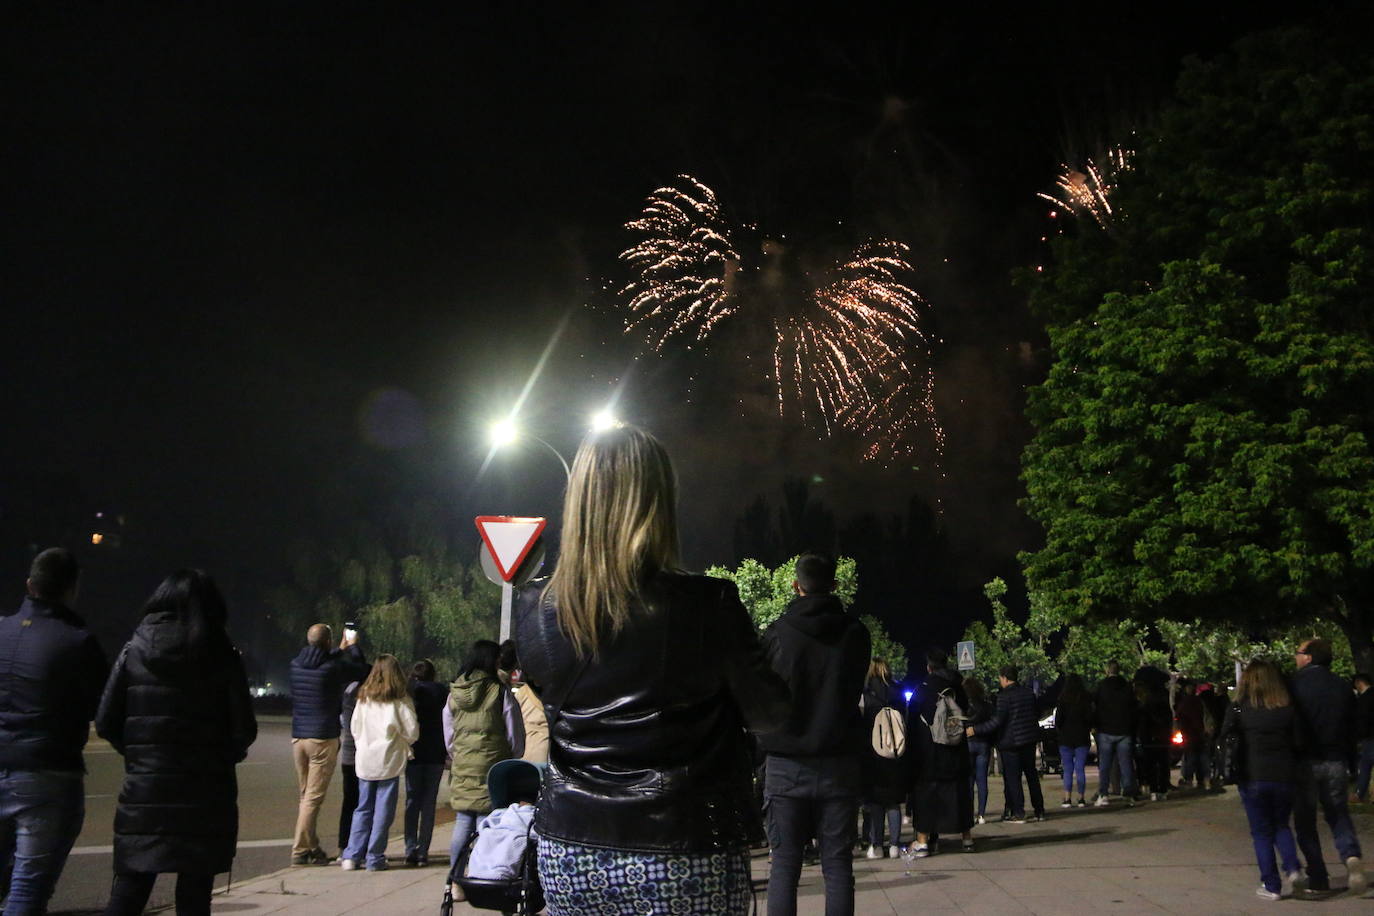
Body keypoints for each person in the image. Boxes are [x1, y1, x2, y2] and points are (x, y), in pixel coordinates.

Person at [512, 425, 790, 916]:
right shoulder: (709, 605)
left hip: (570, 846)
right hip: (682, 843)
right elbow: (773, 717)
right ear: (659, 503)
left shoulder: (536, 608)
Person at [96, 570, 257, 915]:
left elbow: (106, 720)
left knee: (130, 889)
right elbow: (243, 729)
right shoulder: (222, 654)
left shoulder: (134, 650)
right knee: (195, 897)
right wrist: (219, 757)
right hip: (206, 794)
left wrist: (141, 754)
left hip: (145, 791)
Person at [760, 552, 870, 916]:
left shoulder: (775, 634)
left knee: (785, 865)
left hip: (786, 762)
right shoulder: (855, 634)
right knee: (837, 866)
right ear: (835, 585)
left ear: (796, 586)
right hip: (839, 761)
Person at [0, 548, 107, 915]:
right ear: (72, 589)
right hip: (46, 772)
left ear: (30, 585)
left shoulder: (1, 630)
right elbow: (102, 706)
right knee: (28, 889)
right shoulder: (76, 641)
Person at [1220, 659, 1306, 900]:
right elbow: (1299, 742)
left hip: (1253, 774)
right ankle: (1293, 866)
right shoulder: (1287, 708)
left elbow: (1225, 737)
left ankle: (1271, 885)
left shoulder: (1239, 709)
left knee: (1261, 832)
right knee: (1281, 824)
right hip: (1284, 775)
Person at [287, 622, 368, 865]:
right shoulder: (333, 668)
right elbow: (361, 669)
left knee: (306, 795)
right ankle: (300, 850)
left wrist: (338, 650)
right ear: (327, 641)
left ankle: (312, 846)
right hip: (322, 738)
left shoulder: (295, 665)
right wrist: (352, 647)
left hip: (298, 736)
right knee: (312, 798)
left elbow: (321, 661)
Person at [1289, 638, 1365, 895]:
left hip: (1305, 761)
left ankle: (1318, 874)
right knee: (1337, 813)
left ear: (1308, 657)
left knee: (1305, 820)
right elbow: (1352, 727)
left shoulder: (1294, 685)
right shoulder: (1342, 686)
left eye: (1298, 653)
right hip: (1336, 759)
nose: (1296, 657)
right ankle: (1351, 855)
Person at [443, 640, 523, 881]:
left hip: (463, 765)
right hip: (493, 767)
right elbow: (514, 732)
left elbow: (448, 733)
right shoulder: (499, 692)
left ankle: (455, 880)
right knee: (486, 824)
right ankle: (481, 876)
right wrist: (513, 757)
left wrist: (458, 755)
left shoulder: (454, 693)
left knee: (463, 820)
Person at [340, 654, 418, 871]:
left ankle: (352, 854)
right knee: (383, 810)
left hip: (365, 758)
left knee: (362, 807)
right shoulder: (400, 699)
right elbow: (412, 731)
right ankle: (374, 856)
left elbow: (354, 728)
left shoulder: (364, 697)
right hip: (389, 759)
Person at [910, 648, 973, 856]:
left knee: (926, 795)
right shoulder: (958, 687)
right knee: (960, 794)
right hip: (956, 752)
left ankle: (923, 841)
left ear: (929, 667)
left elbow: (912, 716)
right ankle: (967, 839)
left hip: (931, 753)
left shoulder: (925, 687)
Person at [967, 665, 1044, 823]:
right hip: (1029, 740)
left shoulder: (1004, 697)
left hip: (1010, 743)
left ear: (1005, 678)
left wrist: (976, 730)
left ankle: (1019, 812)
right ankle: (1039, 811)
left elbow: (997, 721)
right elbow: (1036, 713)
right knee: (1032, 776)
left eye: (1000, 678)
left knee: (1013, 779)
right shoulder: (1028, 693)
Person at [859, 658, 907, 859]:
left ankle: (876, 845)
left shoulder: (865, 695)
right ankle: (895, 845)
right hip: (896, 753)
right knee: (894, 802)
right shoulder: (898, 693)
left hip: (872, 754)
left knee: (876, 802)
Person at [404, 660, 448, 867]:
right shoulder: (443, 693)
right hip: (436, 752)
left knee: (412, 801)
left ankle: (409, 847)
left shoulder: (411, 693)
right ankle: (423, 851)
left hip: (414, 753)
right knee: (429, 803)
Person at [466, 759, 541, 881]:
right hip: (510, 827)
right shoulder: (503, 814)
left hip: (516, 829)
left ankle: (483, 869)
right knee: (489, 836)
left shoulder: (530, 813)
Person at [1092, 660, 1138, 806]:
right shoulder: (1127, 687)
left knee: (1105, 765)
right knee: (1126, 764)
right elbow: (1133, 708)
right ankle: (1129, 794)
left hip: (1106, 730)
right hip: (1124, 730)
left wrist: (1095, 725)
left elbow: (1095, 707)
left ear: (1108, 670)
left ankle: (1103, 794)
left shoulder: (1101, 686)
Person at [498, 641, 549, 764]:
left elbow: (511, 728)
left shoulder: (519, 694)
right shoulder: (559, 698)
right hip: (548, 759)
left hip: (524, 757)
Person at [1055, 674, 1093, 808]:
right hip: (1082, 737)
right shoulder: (1086, 698)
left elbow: (1058, 720)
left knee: (1067, 769)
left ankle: (1067, 798)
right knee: (1080, 768)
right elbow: (1090, 718)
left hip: (1066, 738)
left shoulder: (1063, 699)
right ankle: (1081, 798)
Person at [962, 677, 994, 825]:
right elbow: (992, 723)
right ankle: (981, 814)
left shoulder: (962, 705)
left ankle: (968, 812)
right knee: (982, 781)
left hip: (967, 744)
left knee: (968, 781)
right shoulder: (985, 705)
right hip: (983, 743)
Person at [1135, 679, 1173, 801]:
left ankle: (1153, 790)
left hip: (1149, 740)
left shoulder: (1145, 706)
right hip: (1163, 738)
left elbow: (1143, 724)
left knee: (1150, 765)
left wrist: (1142, 737)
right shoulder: (1164, 705)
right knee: (1163, 765)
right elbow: (1169, 721)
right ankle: (1163, 789)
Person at [336, 680, 361, 856]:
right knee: (364, 805)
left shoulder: (346, 694)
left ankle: (344, 845)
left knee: (349, 802)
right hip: (363, 755)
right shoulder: (365, 694)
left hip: (348, 755)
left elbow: (344, 722)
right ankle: (358, 847)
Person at [1175, 679, 1207, 789]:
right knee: (1200, 756)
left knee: (1190, 756)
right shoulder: (1199, 701)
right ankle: (1201, 779)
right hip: (1198, 732)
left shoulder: (1185, 702)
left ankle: (1189, 779)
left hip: (1189, 733)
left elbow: (1179, 717)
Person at [1355, 673, 1374, 803]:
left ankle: (1359, 793)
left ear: (1359, 682)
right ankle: (1360, 793)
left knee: (1365, 765)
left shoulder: (1364, 699)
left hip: (1369, 736)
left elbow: (1363, 720)